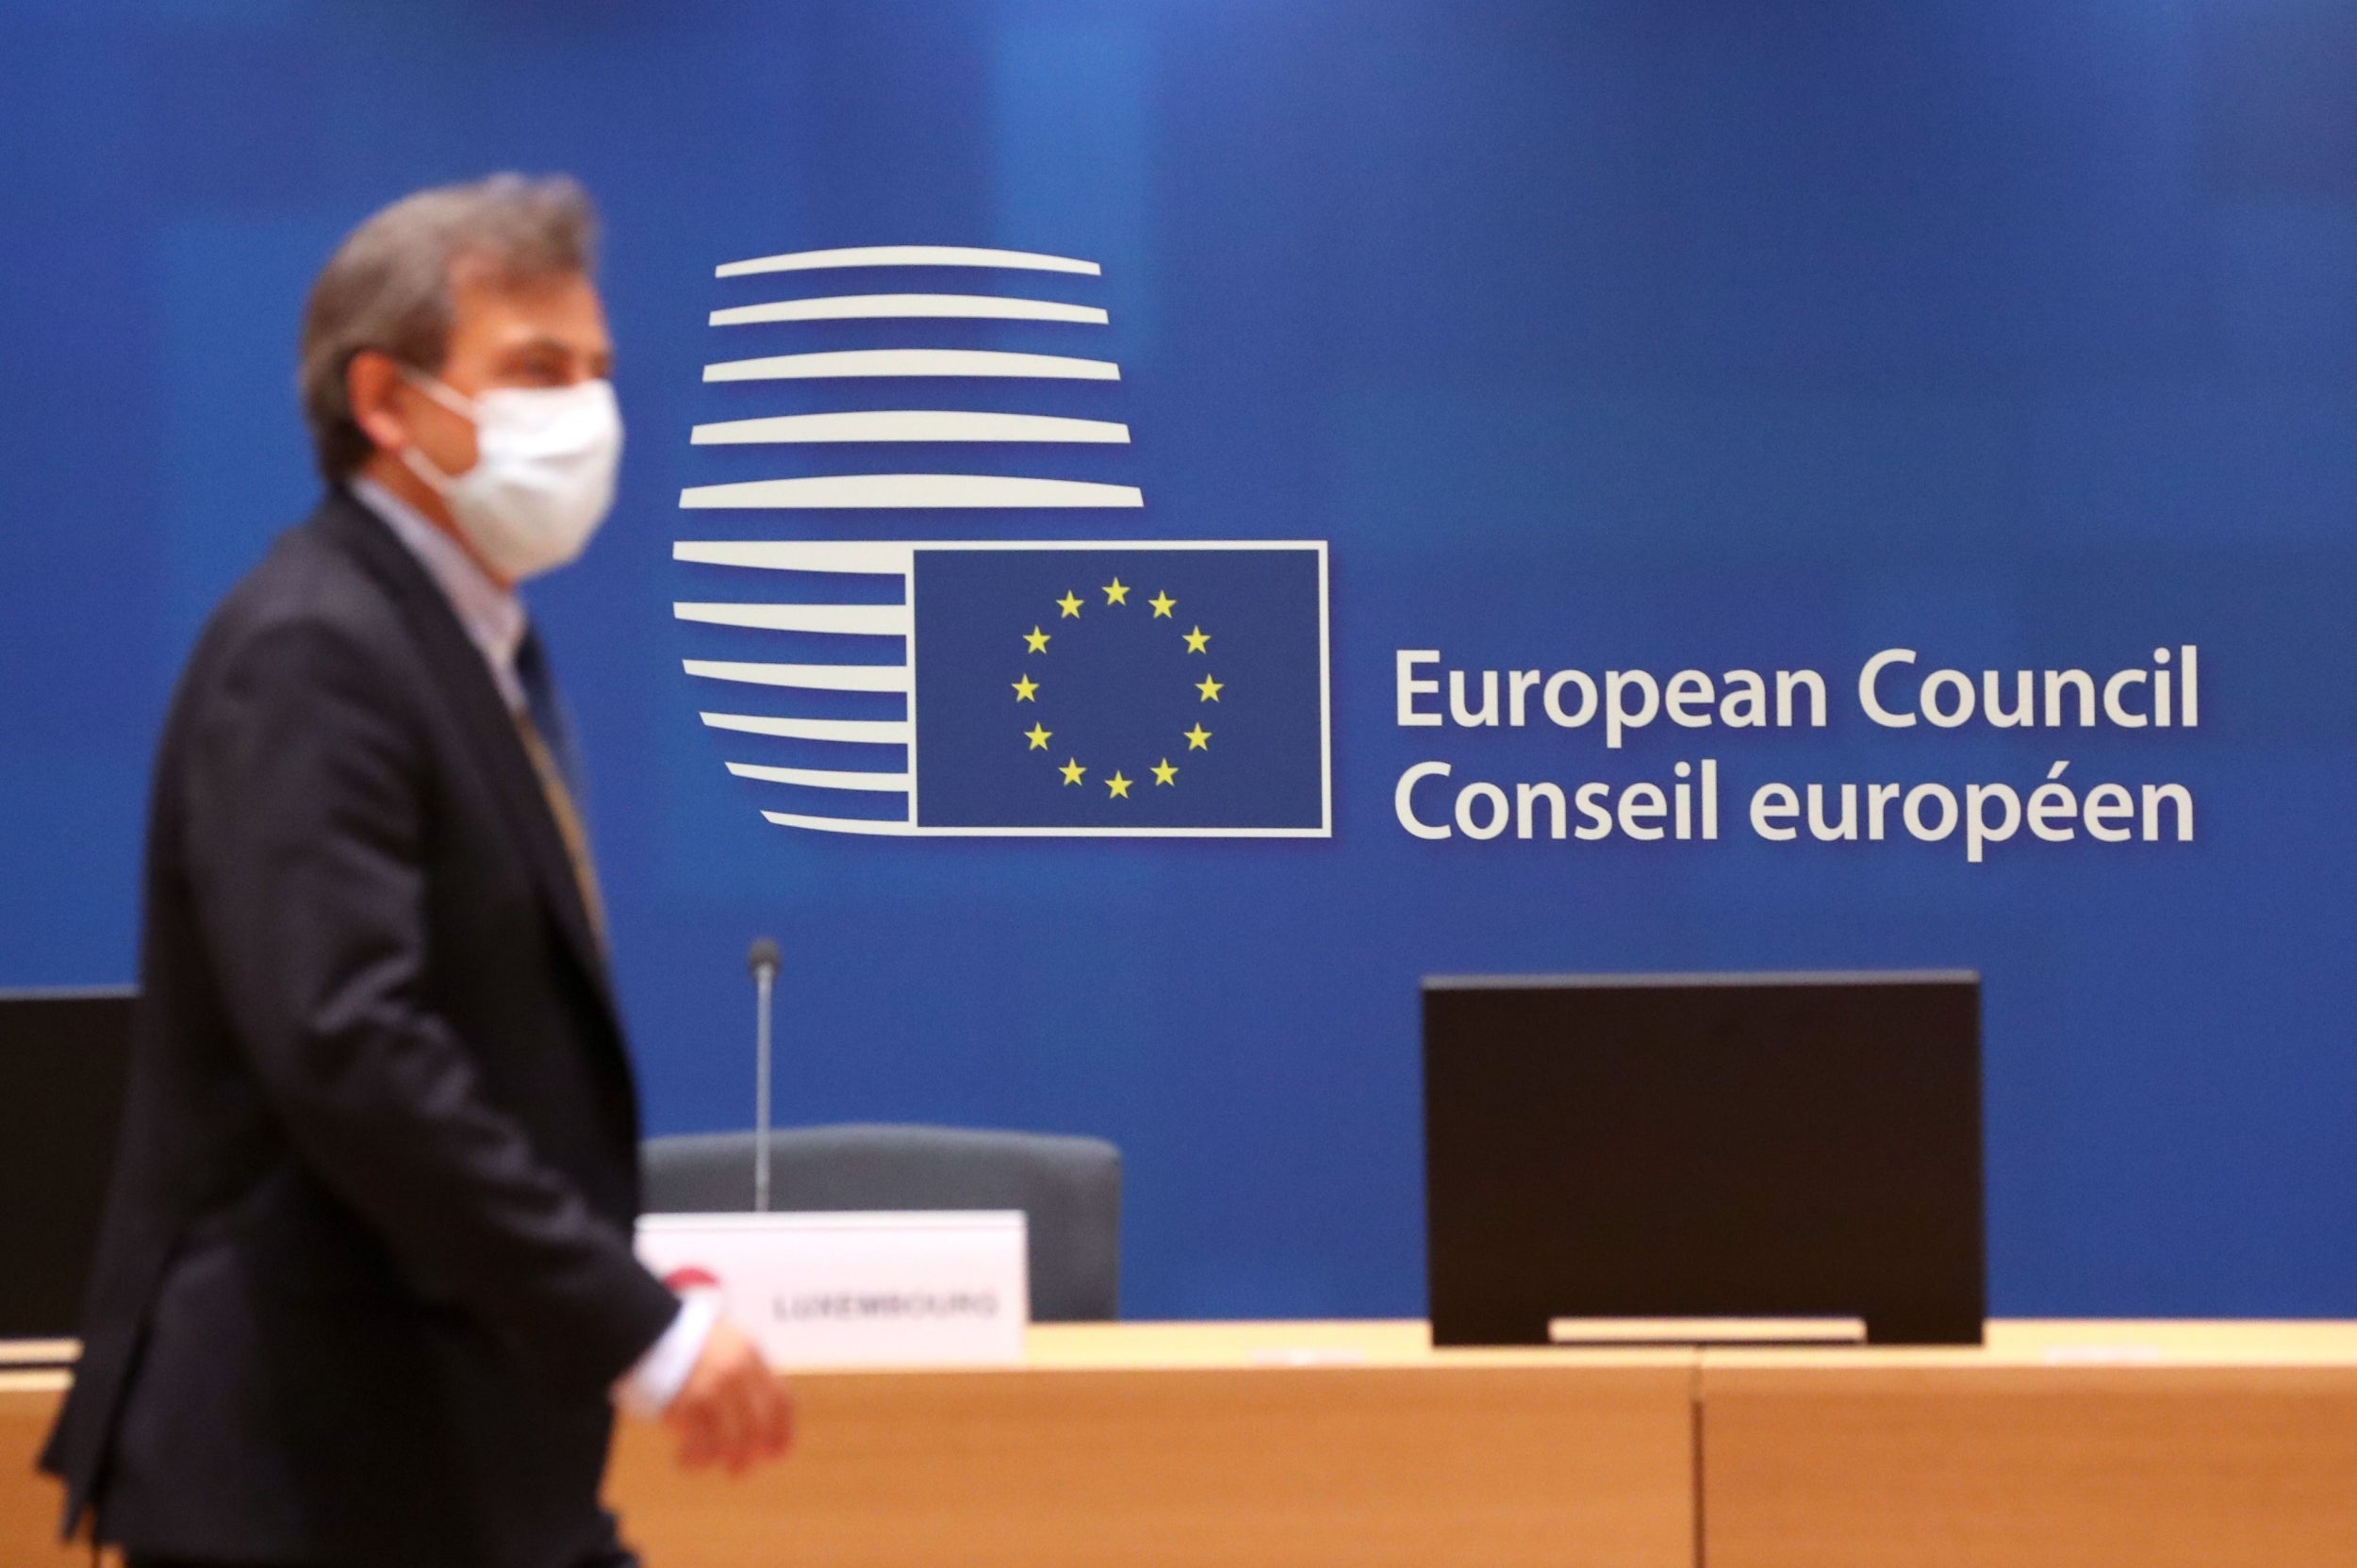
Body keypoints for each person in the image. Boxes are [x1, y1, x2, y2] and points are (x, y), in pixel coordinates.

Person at [39, 173, 791, 1568]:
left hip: (452, 1456)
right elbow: (352, 1049)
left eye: (599, 372)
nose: (586, 413)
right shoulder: (316, 651)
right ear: (386, 402)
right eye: (535, 370)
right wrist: (636, 1325)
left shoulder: (469, 645)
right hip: (311, 1472)